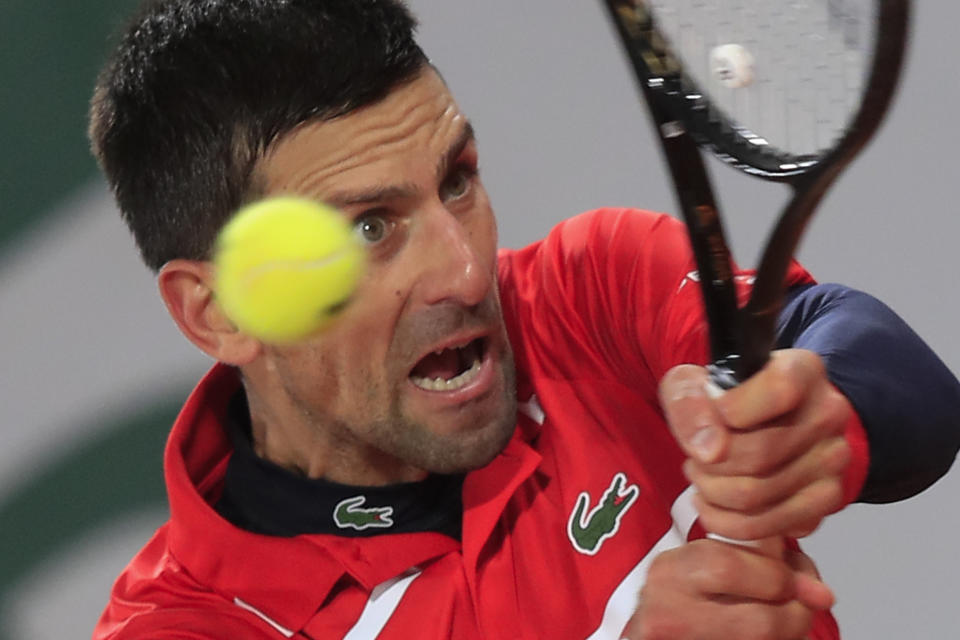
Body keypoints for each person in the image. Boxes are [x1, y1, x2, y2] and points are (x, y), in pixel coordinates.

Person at [88, 1, 960, 638]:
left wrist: (819, 419)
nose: (466, 272)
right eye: (369, 228)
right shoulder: (184, 627)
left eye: (458, 179)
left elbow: (894, 377)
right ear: (217, 313)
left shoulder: (585, 299)